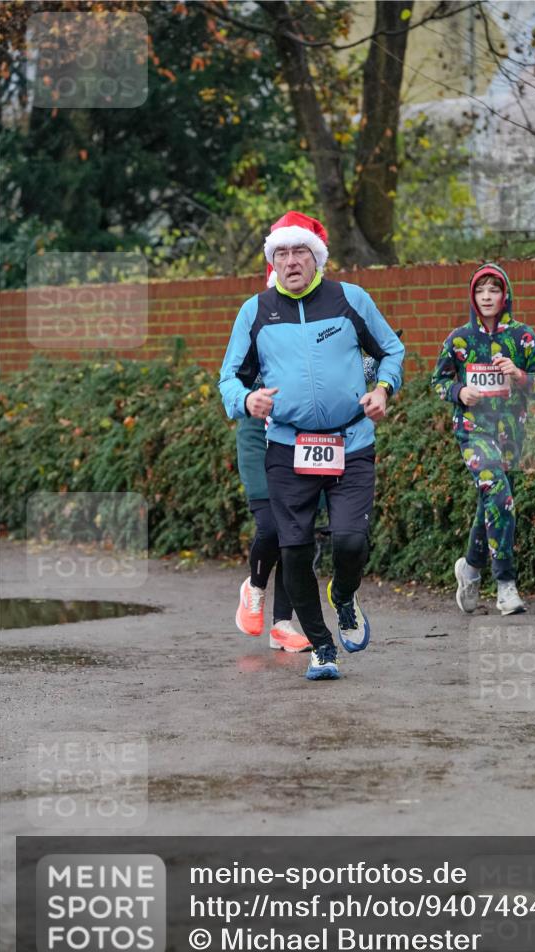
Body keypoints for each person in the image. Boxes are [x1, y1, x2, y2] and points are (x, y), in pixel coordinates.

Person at [220, 211, 405, 680]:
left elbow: (391, 350)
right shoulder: (256, 312)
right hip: (287, 447)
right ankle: (322, 647)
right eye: (280, 253)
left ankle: (343, 596)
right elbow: (228, 379)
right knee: (295, 549)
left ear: (316, 257)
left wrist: (383, 389)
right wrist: (247, 399)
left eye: (299, 251)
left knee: (349, 540)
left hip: (351, 441)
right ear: (273, 263)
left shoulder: (349, 299)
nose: (290, 261)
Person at [431, 262, 535, 615]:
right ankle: (505, 584)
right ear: (473, 296)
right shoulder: (459, 339)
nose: (486, 296)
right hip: (473, 431)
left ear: (505, 295)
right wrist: (459, 392)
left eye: (493, 290)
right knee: (498, 495)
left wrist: (520, 376)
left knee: (493, 501)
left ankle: (469, 568)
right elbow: (438, 382)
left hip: (512, 432)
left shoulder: (523, 337)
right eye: (480, 290)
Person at [234, 402, 312, 653]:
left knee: (294, 533)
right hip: (259, 434)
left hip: (299, 436)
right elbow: (232, 379)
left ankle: (282, 626)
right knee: (269, 526)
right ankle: (254, 587)